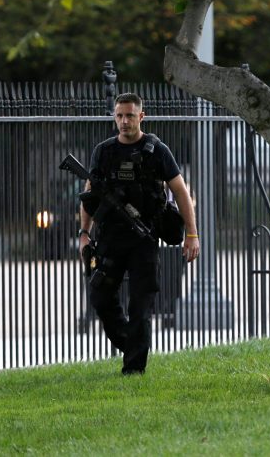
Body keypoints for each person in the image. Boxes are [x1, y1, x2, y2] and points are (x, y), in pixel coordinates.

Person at [78, 92, 199, 375]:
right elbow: (89, 194)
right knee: (100, 297)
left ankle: (134, 369)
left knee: (141, 304)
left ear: (141, 117)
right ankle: (132, 344)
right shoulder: (104, 151)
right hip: (109, 238)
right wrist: (84, 233)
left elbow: (180, 192)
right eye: (119, 115)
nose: (124, 121)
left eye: (130, 115)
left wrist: (192, 235)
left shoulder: (157, 150)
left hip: (144, 239)